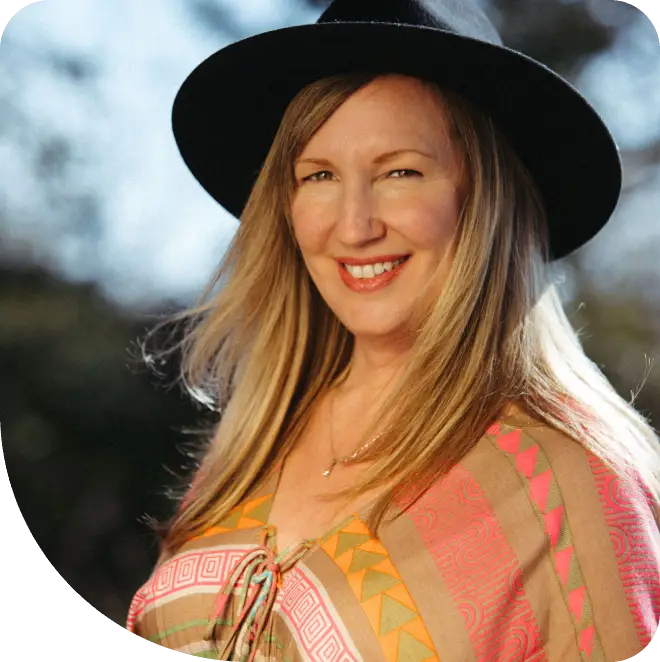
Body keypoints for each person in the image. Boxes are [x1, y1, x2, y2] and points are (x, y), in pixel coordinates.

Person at [126, 0, 660, 660]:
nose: (354, 226)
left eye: (399, 172)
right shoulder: (247, 450)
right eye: (318, 176)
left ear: (487, 199)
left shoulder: (572, 486)